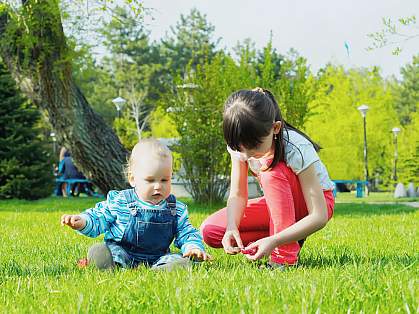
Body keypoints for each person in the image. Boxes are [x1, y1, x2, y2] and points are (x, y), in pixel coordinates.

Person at [200, 88, 335, 269]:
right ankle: (288, 235)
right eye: (240, 149)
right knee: (212, 231)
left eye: (254, 147)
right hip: (280, 204)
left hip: (313, 203)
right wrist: (232, 227)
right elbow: (238, 194)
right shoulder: (242, 145)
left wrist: (275, 241)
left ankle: (284, 259)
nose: (247, 156)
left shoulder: (296, 147)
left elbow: (319, 216)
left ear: (275, 128)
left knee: (271, 172)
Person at [61, 138, 209, 270]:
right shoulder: (121, 201)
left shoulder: (175, 209)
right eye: (150, 180)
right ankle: (107, 262)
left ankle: (167, 269)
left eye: (164, 180)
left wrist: (193, 247)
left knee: (175, 258)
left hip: (157, 257)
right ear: (133, 179)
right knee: (114, 253)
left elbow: (187, 232)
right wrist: (82, 221)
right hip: (123, 252)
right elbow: (99, 217)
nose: (158, 186)